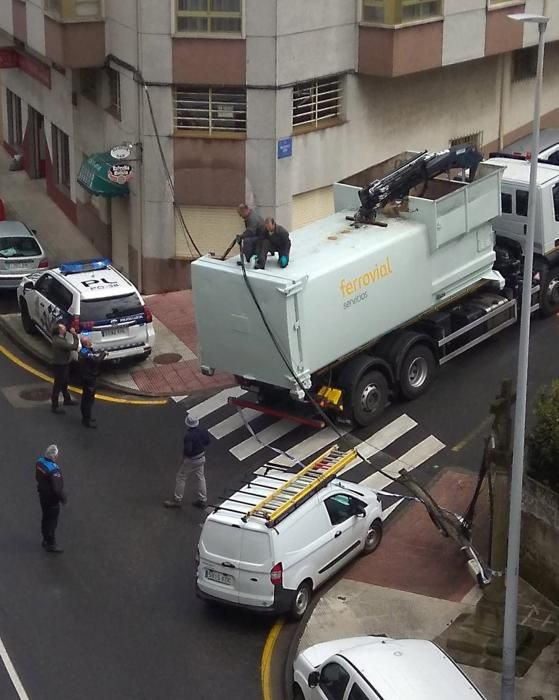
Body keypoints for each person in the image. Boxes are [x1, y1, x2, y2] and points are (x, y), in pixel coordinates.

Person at [163, 414, 211, 510]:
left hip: (192, 460)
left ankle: (177, 500)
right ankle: (202, 499)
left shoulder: (189, 436)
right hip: (202, 457)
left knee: (181, 477)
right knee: (200, 477)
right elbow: (207, 442)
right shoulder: (203, 431)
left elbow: (188, 450)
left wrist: (183, 458)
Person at [35, 444, 67, 553]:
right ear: (54, 456)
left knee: (45, 517)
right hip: (51, 499)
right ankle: (51, 543)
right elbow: (57, 489)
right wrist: (63, 498)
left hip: (42, 495)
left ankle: (45, 539)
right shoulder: (54, 470)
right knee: (51, 521)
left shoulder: (40, 462)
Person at [78, 335, 107, 429]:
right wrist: (104, 354)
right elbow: (96, 360)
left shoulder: (82, 351)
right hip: (89, 379)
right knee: (88, 400)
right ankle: (86, 420)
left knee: (85, 398)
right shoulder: (87, 354)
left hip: (84, 377)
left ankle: (86, 417)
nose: (91, 342)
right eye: (89, 341)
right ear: (86, 343)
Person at [51, 322, 78, 414]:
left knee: (64, 383)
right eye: (63, 328)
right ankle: (54, 406)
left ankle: (67, 399)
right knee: (58, 385)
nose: (65, 328)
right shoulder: (60, 342)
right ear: (59, 331)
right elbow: (74, 347)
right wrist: (75, 335)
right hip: (60, 366)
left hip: (63, 364)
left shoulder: (58, 338)